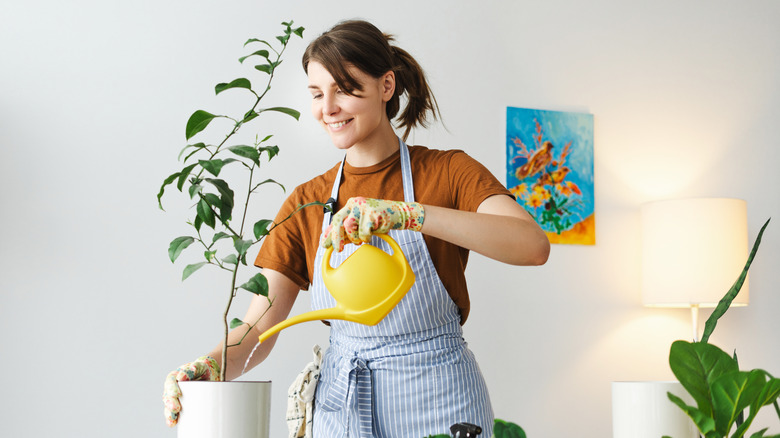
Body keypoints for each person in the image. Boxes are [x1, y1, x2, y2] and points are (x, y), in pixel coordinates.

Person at [163, 19, 550, 437]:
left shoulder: (448, 171)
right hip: (342, 405)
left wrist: (410, 214)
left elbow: (531, 246)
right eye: (316, 93)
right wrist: (210, 365)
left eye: (343, 89)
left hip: (441, 401)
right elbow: (258, 327)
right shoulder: (306, 203)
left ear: (386, 86)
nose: (327, 108)